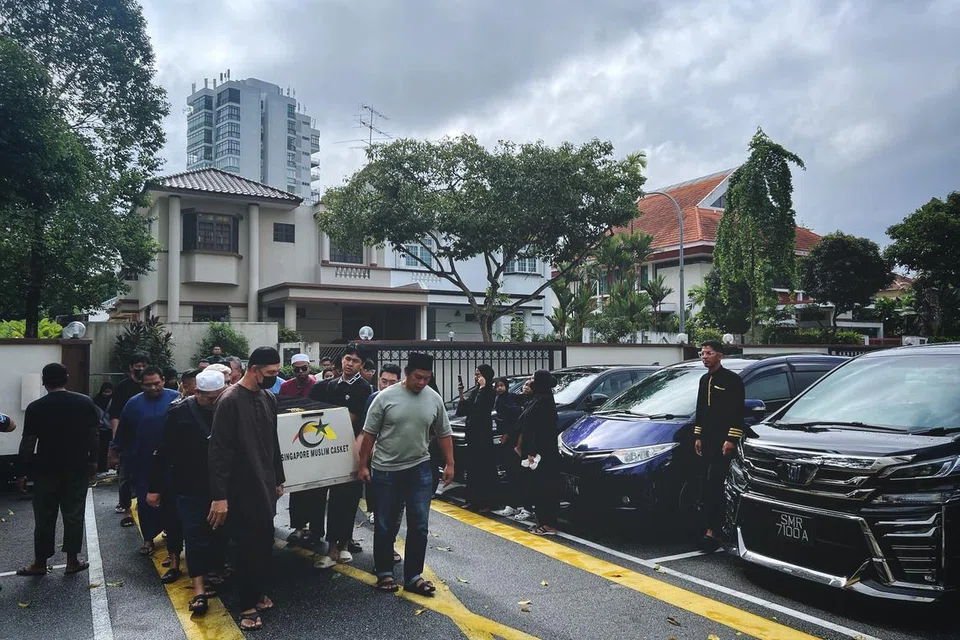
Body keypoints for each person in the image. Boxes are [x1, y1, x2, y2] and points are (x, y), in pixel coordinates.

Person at [360, 352, 454, 595]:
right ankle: (384, 573)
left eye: (427, 378)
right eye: (418, 377)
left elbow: (444, 433)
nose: (422, 382)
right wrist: (362, 465)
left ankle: (413, 577)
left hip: (420, 468)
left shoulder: (433, 398)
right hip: (386, 470)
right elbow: (369, 434)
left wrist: (451, 463)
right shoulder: (384, 398)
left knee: (419, 525)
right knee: (384, 524)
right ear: (406, 373)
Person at [207, 346, 285, 632]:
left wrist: (278, 479)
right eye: (270, 373)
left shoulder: (269, 397)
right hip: (239, 488)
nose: (274, 378)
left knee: (264, 542)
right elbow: (218, 452)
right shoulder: (229, 400)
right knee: (245, 547)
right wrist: (219, 497)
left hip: (265, 485)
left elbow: (274, 443)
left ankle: (258, 591)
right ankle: (247, 605)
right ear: (254, 370)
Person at [147, 369, 228, 615]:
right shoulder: (179, 412)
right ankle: (199, 591)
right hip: (189, 485)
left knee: (219, 533)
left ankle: (215, 573)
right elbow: (163, 451)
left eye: (218, 397)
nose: (214, 403)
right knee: (194, 535)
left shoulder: (229, 409)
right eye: (208, 398)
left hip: (223, 485)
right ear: (196, 392)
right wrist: (154, 488)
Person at [15, 363, 99, 577]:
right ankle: (72, 560)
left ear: (44, 382)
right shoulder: (84, 402)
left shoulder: (36, 407)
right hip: (76, 467)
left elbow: (28, 442)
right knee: (74, 514)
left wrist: (21, 472)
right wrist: (93, 462)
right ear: (66, 378)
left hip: (45, 469)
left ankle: (40, 562)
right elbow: (93, 436)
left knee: (44, 516)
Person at [309, 343, 373, 569]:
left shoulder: (364, 388)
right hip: (326, 450)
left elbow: (353, 419)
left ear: (362, 365)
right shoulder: (330, 385)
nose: (349, 364)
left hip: (351, 451)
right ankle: (333, 547)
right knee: (327, 498)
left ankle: (342, 546)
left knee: (346, 499)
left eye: (355, 361)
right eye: (347, 359)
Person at [112, 366, 182, 569]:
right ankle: (149, 538)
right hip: (143, 462)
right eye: (148, 384)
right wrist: (115, 452)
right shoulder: (133, 404)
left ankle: (173, 541)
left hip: (171, 462)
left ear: (163, 380)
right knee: (145, 502)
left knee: (172, 502)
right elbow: (123, 432)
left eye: (157, 383)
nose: (153, 387)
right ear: (141, 384)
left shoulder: (176, 398)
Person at [693, 340, 745, 552]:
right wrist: (697, 436)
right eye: (702, 353)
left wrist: (731, 439)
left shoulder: (732, 380)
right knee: (705, 487)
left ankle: (713, 532)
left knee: (717, 486)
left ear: (720, 355)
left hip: (723, 442)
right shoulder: (704, 380)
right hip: (707, 441)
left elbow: (737, 412)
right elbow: (700, 410)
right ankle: (706, 526)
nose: (704, 357)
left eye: (709, 353)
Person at [110, 353, 150, 527]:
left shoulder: (150, 386)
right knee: (126, 475)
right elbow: (115, 415)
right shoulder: (123, 388)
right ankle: (126, 507)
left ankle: (145, 507)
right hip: (128, 439)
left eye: (144, 365)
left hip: (150, 438)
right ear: (130, 367)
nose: (140, 368)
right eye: (137, 365)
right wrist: (115, 440)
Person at [518, 370, 560, 536]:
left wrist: (532, 451)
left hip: (543, 453)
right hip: (537, 451)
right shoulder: (537, 399)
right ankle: (542, 521)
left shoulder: (544, 402)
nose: (530, 381)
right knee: (538, 488)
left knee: (545, 488)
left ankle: (549, 524)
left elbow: (540, 430)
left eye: (534, 379)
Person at [457, 365, 498, 512]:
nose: (476, 377)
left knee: (483, 469)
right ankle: (472, 500)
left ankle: (486, 502)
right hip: (473, 435)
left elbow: (480, 408)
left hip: (483, 435)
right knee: (473, 468)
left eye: (479, 374)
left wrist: (482, 388)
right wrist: (461, 393)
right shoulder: (476, 391)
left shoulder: (488, 391)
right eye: (475, 375)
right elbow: (465, 409)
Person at [491, 377, 530, 519]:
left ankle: (522, 506)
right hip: (507, 438)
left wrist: (508, 434)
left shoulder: (511, 399)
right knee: (510, 472)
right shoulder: (500, 399)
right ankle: (512, 505)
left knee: (516, 472)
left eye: (501, 386)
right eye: (497, 386)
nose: (499, 388)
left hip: (513, 439)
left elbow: (515, 418)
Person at [93, 382, 115, 473]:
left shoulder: (114, 401)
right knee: (101, 449)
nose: (106, 394)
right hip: (102, 429)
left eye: (108, 392)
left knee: (107, 450)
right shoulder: (96, 400)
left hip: (109, 428)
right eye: (105, 392)